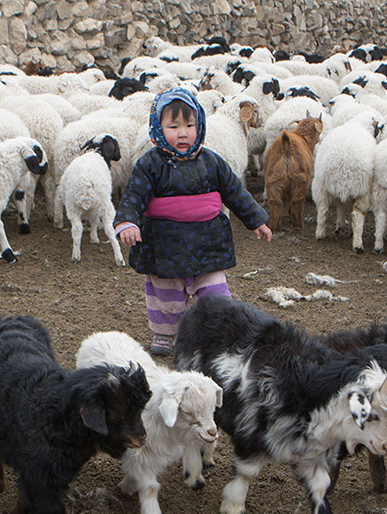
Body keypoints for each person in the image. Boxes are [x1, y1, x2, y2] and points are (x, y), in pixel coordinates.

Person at [114, 87, 272, 356]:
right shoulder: (150, 165)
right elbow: (134, 195)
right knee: (167, 295)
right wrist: (127, 222)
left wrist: (256, 219)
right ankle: (166, 333)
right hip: (165, 246)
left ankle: (218, 332)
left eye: (190, 125)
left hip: (207, 243)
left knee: (215, 292)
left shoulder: (211, 162)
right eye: (173, 126)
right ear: (157, 127)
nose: (183, 133)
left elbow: (235, 192)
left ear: (200, 125)